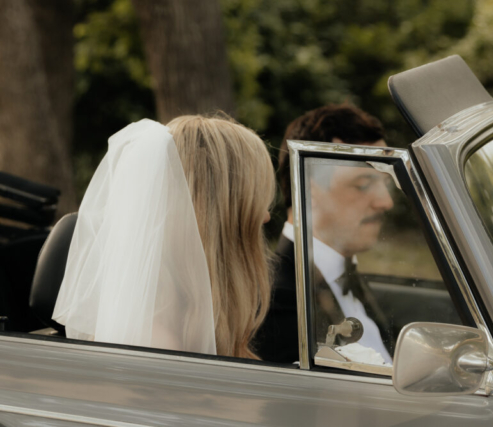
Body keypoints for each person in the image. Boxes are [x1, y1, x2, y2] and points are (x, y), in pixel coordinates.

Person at [53, 115, 275, 359]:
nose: (266, 216)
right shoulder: (155, 345)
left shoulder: (175, 325)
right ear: (220, 216)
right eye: (256, 201)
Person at [253, 104, 394, 364]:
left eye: (385, 183)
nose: (386, 202)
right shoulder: (278, 303)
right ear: (310, 189)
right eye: (363, 184)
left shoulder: (346, 274)